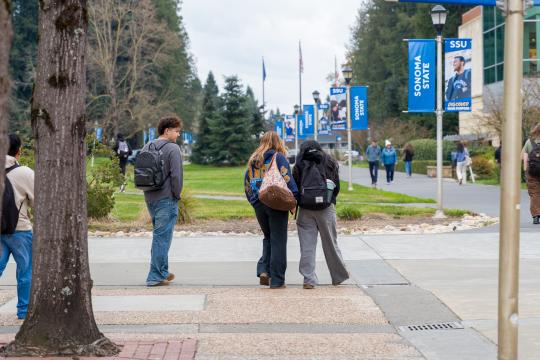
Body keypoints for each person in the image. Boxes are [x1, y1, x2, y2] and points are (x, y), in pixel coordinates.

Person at [244, 131, 299, 289]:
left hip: (259, 203)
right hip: (276, 202)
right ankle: (277, 280)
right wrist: (294, 199)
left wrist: (254, 202)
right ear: (277, 142)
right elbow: (287, 178)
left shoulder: (254, 160)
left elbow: (247, 182)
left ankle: (264, 270)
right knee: (279, 241)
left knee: (268, 237)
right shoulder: (278, 157)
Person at [293, 141, 349, 289]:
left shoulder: (299, 163)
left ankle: (308, 279)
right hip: (326, 208)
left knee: (307, 246)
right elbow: (336, 186)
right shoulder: (329, 161)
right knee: (330, 243)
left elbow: (296, 187)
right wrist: (329, 199)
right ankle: (338, 276)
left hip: (305, 209)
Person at [143, 116, 183, 286]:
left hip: (150, 197)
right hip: (166, 198)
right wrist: (177, 194)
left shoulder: (148, 145)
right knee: (162, 237)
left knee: (160, 235)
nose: (178, 134)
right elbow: (176, 175)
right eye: (176, 131)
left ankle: (163, 271)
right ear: (167, 131)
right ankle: (155, 276)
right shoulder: (172, 148)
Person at [0, 134, 34, 319]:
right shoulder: (25, 173)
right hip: (19, 229)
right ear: (18, 151)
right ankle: (24, 312)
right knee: (25, 271)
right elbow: (38, 200)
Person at [522, 123, 540, 225]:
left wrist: (525, 172)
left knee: (534, 194)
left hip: (532, 172)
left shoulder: (529, 142)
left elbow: (525, 159)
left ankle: (536, 217)